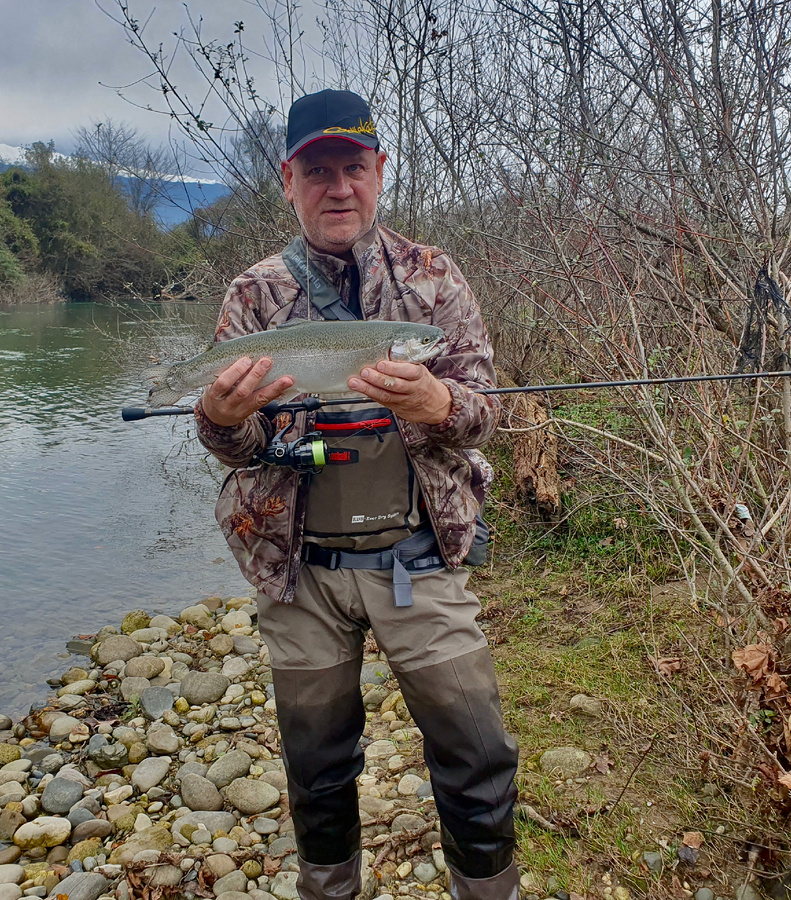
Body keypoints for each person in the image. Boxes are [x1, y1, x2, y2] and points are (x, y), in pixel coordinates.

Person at [194, 89, 519, 900]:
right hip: (297, 573)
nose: (338, 187)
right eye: (318, 170)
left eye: (354, 168)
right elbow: (233, 446)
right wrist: (219, 420)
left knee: (479, 755)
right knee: (317, 768)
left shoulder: (434, 277)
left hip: (418, 560)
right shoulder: (254, 295)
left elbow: (486, 412)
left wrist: (440, 405)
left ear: (380, 172)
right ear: (288, 180)